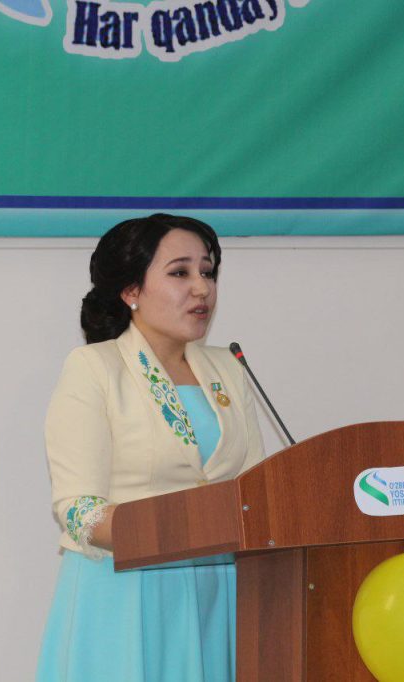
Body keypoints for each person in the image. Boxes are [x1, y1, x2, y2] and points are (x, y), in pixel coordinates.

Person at [36, 214, 265, 681]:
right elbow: (78, 510)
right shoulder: (94, 368)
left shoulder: (229, 367)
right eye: (180, 272)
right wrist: (180, 528)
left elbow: (260, 491)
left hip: (221, 592)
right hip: (128, 594)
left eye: (208, 271)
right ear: (131, 291)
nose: (201, 288)